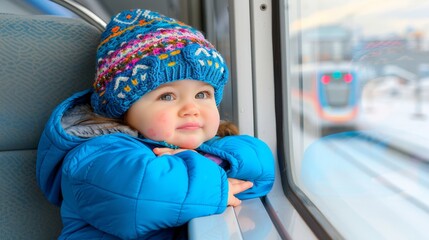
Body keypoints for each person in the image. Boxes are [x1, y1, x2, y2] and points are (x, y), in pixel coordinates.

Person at [36, 9, 274, 239]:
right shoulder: (95, 155)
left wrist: (208, 160)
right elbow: (139, 196)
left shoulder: (207, 144)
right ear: (124, 109)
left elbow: (260, 167)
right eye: (167, 96)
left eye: (202, 95)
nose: (191, 109)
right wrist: (213, 178)